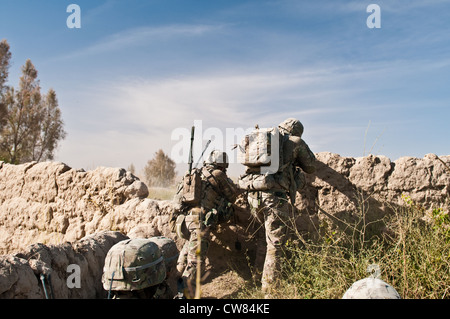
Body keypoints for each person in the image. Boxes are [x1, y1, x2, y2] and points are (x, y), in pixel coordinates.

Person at [239, 118, 316, 296]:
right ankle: (269, 291)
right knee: (276, 245)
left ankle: (256, 277)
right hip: (274, 197)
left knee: (263, 237)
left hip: (253, 195)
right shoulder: (295, 141)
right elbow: (311, 167)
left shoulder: (266, 139)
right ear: (297, 131)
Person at [172, 150, 240, 298]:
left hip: (184, 222)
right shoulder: (218, 175)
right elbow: (233, 194)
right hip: (200, 223)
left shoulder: (194, 173)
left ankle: (172, 286)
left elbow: (177, 201)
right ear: (222, 164)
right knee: (195, 262)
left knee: (184, 255)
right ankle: (184, 296)